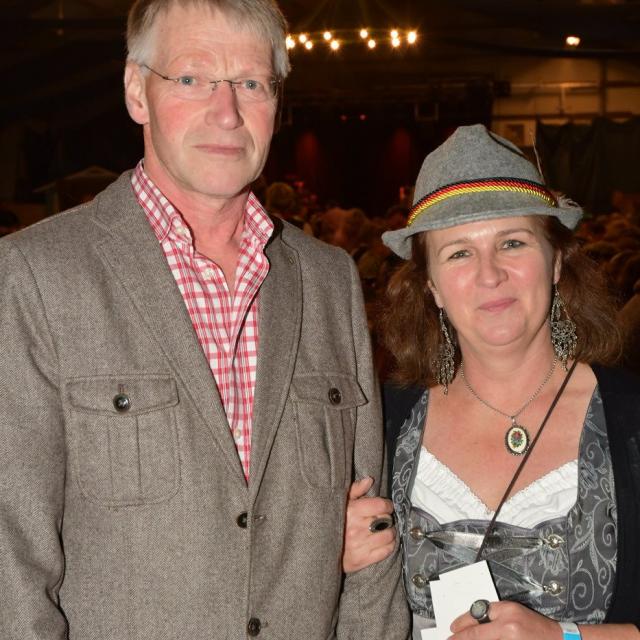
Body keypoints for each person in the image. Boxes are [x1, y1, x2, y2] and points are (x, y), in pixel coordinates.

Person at [0, 1, 409, 638]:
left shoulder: (327, 278)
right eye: (192, 78)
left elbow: (369, 528)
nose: (227, 113)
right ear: (137, 90)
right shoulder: (36, 275)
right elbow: (11, 559)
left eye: (251, 83)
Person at [344, 124, 640, 639]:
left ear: (556, 262)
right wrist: (335, 563)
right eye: (459, 252)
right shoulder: (378, 425)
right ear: (432, 286)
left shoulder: (632, 420)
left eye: (513, 242)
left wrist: (566, 636)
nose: (489, 274)